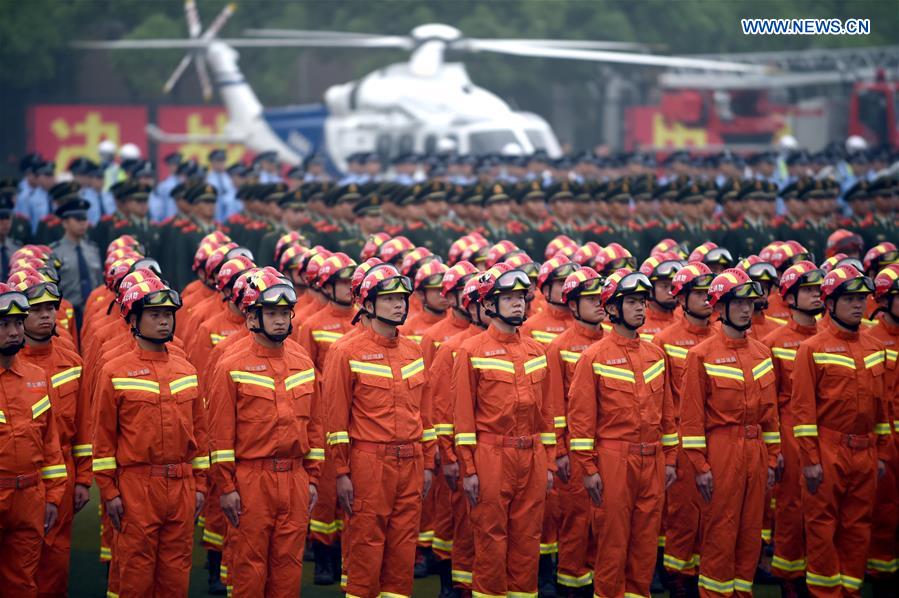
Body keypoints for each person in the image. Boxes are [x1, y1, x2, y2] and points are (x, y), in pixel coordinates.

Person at [207, 268, 325, 596]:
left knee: (288, 571)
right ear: (251, 317)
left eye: (285, 314)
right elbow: (219, 435)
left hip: (296, 479)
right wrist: (227, 487)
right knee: (249, 569)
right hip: (250, 481)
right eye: (271, 313)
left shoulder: (303, 362)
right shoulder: (230, 364)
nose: (280, 321)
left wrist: (312, 479)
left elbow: (315, 426)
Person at [91, 276, 208, 596]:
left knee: (176, 574)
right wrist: (110, 492)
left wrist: (199, 485)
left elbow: (200, 433)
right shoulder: (114, 370)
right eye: (155, 314)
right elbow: (102, 439)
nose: (163, 321)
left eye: (168, 314)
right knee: (135, 574)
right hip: (136, 487)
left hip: (181, 485)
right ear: (132, 319)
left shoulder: (186, 370)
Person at [325, 266, 436, 598]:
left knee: (403, 548)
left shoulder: (414, 351)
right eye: (389, 299)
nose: (399, 305)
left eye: (401, 299)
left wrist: (428, 462)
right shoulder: (345, 351)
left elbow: (425, 414)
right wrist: (342, 472)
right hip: (368, 463)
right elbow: (335, 420)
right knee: (366, 545)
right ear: (366, 303)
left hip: (412, 462)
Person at [567, 267, 677, 598]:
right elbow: (581, 419)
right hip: (614, 459)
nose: (640, 308)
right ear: (612, 309)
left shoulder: (656, 355)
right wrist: (588, 468)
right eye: (631, 302)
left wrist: (670, 458)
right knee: (612, 545)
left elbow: (667, 414)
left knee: (644, 546)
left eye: (642, 302)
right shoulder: (594, 356)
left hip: (652, 459)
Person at [452, 263, 555, 598]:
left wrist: (549, 462)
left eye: (520, 298)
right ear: (488, 305)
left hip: (533, 455)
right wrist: (468, 468)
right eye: (507, 298)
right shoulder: (470, 351)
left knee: (528, 540)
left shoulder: (538, 351)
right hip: (491, 455)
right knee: (491, 539)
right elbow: (463, 418)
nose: (517, 304)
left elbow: (547, 414)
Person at [679, 268, 781, 597]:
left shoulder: (764, 353)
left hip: (756, 449)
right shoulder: (700, 355)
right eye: (737, 303)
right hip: (722, 450)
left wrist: (773, 458)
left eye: (749, 303)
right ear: (720, 308)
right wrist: (700, 466)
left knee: (751, 533)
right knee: (721, 532)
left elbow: (771, 416)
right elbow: (691, 420)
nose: (745, 309)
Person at [791, 265, 890, 597]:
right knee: (821, 527)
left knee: (858, 525)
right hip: (828, 447)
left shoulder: (877, 347)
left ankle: (850, 589)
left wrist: (881, 453)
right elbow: (802, 412)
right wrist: (811, 459)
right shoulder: (812, 349)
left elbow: (883, 408)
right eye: (849, 299)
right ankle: (825, 593)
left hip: (865, 450)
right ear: (829, 303)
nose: (858, 306)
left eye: (861, 299)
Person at [12, 273, 91, 598]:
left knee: (55, 563)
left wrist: (84, 479)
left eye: (51, 308)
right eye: (37, 309)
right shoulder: (9, 365)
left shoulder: (71, 362)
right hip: (20, 474)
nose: (47, 316)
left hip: (64, 474)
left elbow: (84, 427)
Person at [652, 262, 717, 594]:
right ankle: (679, 583)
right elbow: (661, 398)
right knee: (682, 517)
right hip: (679, 437)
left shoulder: (722, 336)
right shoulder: (663, 340)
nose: (707, 299)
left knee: (716, 518)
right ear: (682, 297)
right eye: (699, 293)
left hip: (718, 439)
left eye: (710, 293)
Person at [761, 261, 823, 595]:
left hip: (823, 429)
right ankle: (789, 577)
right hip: (787, 427)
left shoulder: (828, 336)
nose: (817, 295)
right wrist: (775, 445)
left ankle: (820, 570)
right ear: (790, 296)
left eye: (818, 289)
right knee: (790, 504)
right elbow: (769, 399)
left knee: (823, 506)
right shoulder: (774, 341)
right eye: (809, 290)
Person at [0, 283, 67, 595]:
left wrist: (53, 497)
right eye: (4, 325)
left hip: (30, 499)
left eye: (16, 323)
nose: (14, 332)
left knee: (23, 584)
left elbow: (51, 446)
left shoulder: (38, 379)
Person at [295, 252, 357, 585]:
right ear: (326, 285)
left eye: (351, 282)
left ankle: (345, 559)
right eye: (340, 282)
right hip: (323, 416)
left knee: (352, 496)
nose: (348, 289)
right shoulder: (311, 324)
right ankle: (323, 558)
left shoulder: (364, 319)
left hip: (358, 419)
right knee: (326, 492)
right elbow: (304, 374)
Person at [544, 266, 606, 592]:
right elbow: (553, 405)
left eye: (602, 297)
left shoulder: (611, 342)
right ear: (572, 305)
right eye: (591, 299)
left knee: (605, 522)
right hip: (575, 452)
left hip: (608, 450)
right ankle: (572, 586)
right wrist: (561, 451)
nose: (600, 303)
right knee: (576, 524)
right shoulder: (559, 347)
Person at [864, 264, 899, 592]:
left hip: (887, 434)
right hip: (882, 436)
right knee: (882, 508)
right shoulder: (871, 340)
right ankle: (879, 575)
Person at [49, 198, 102, 323]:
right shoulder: (55, 252)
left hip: (93, 312)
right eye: (78, 219)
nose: (83, 223)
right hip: (68, 313)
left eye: (84, 219)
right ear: (65, 223)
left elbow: (99, 282)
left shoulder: (92, 249)